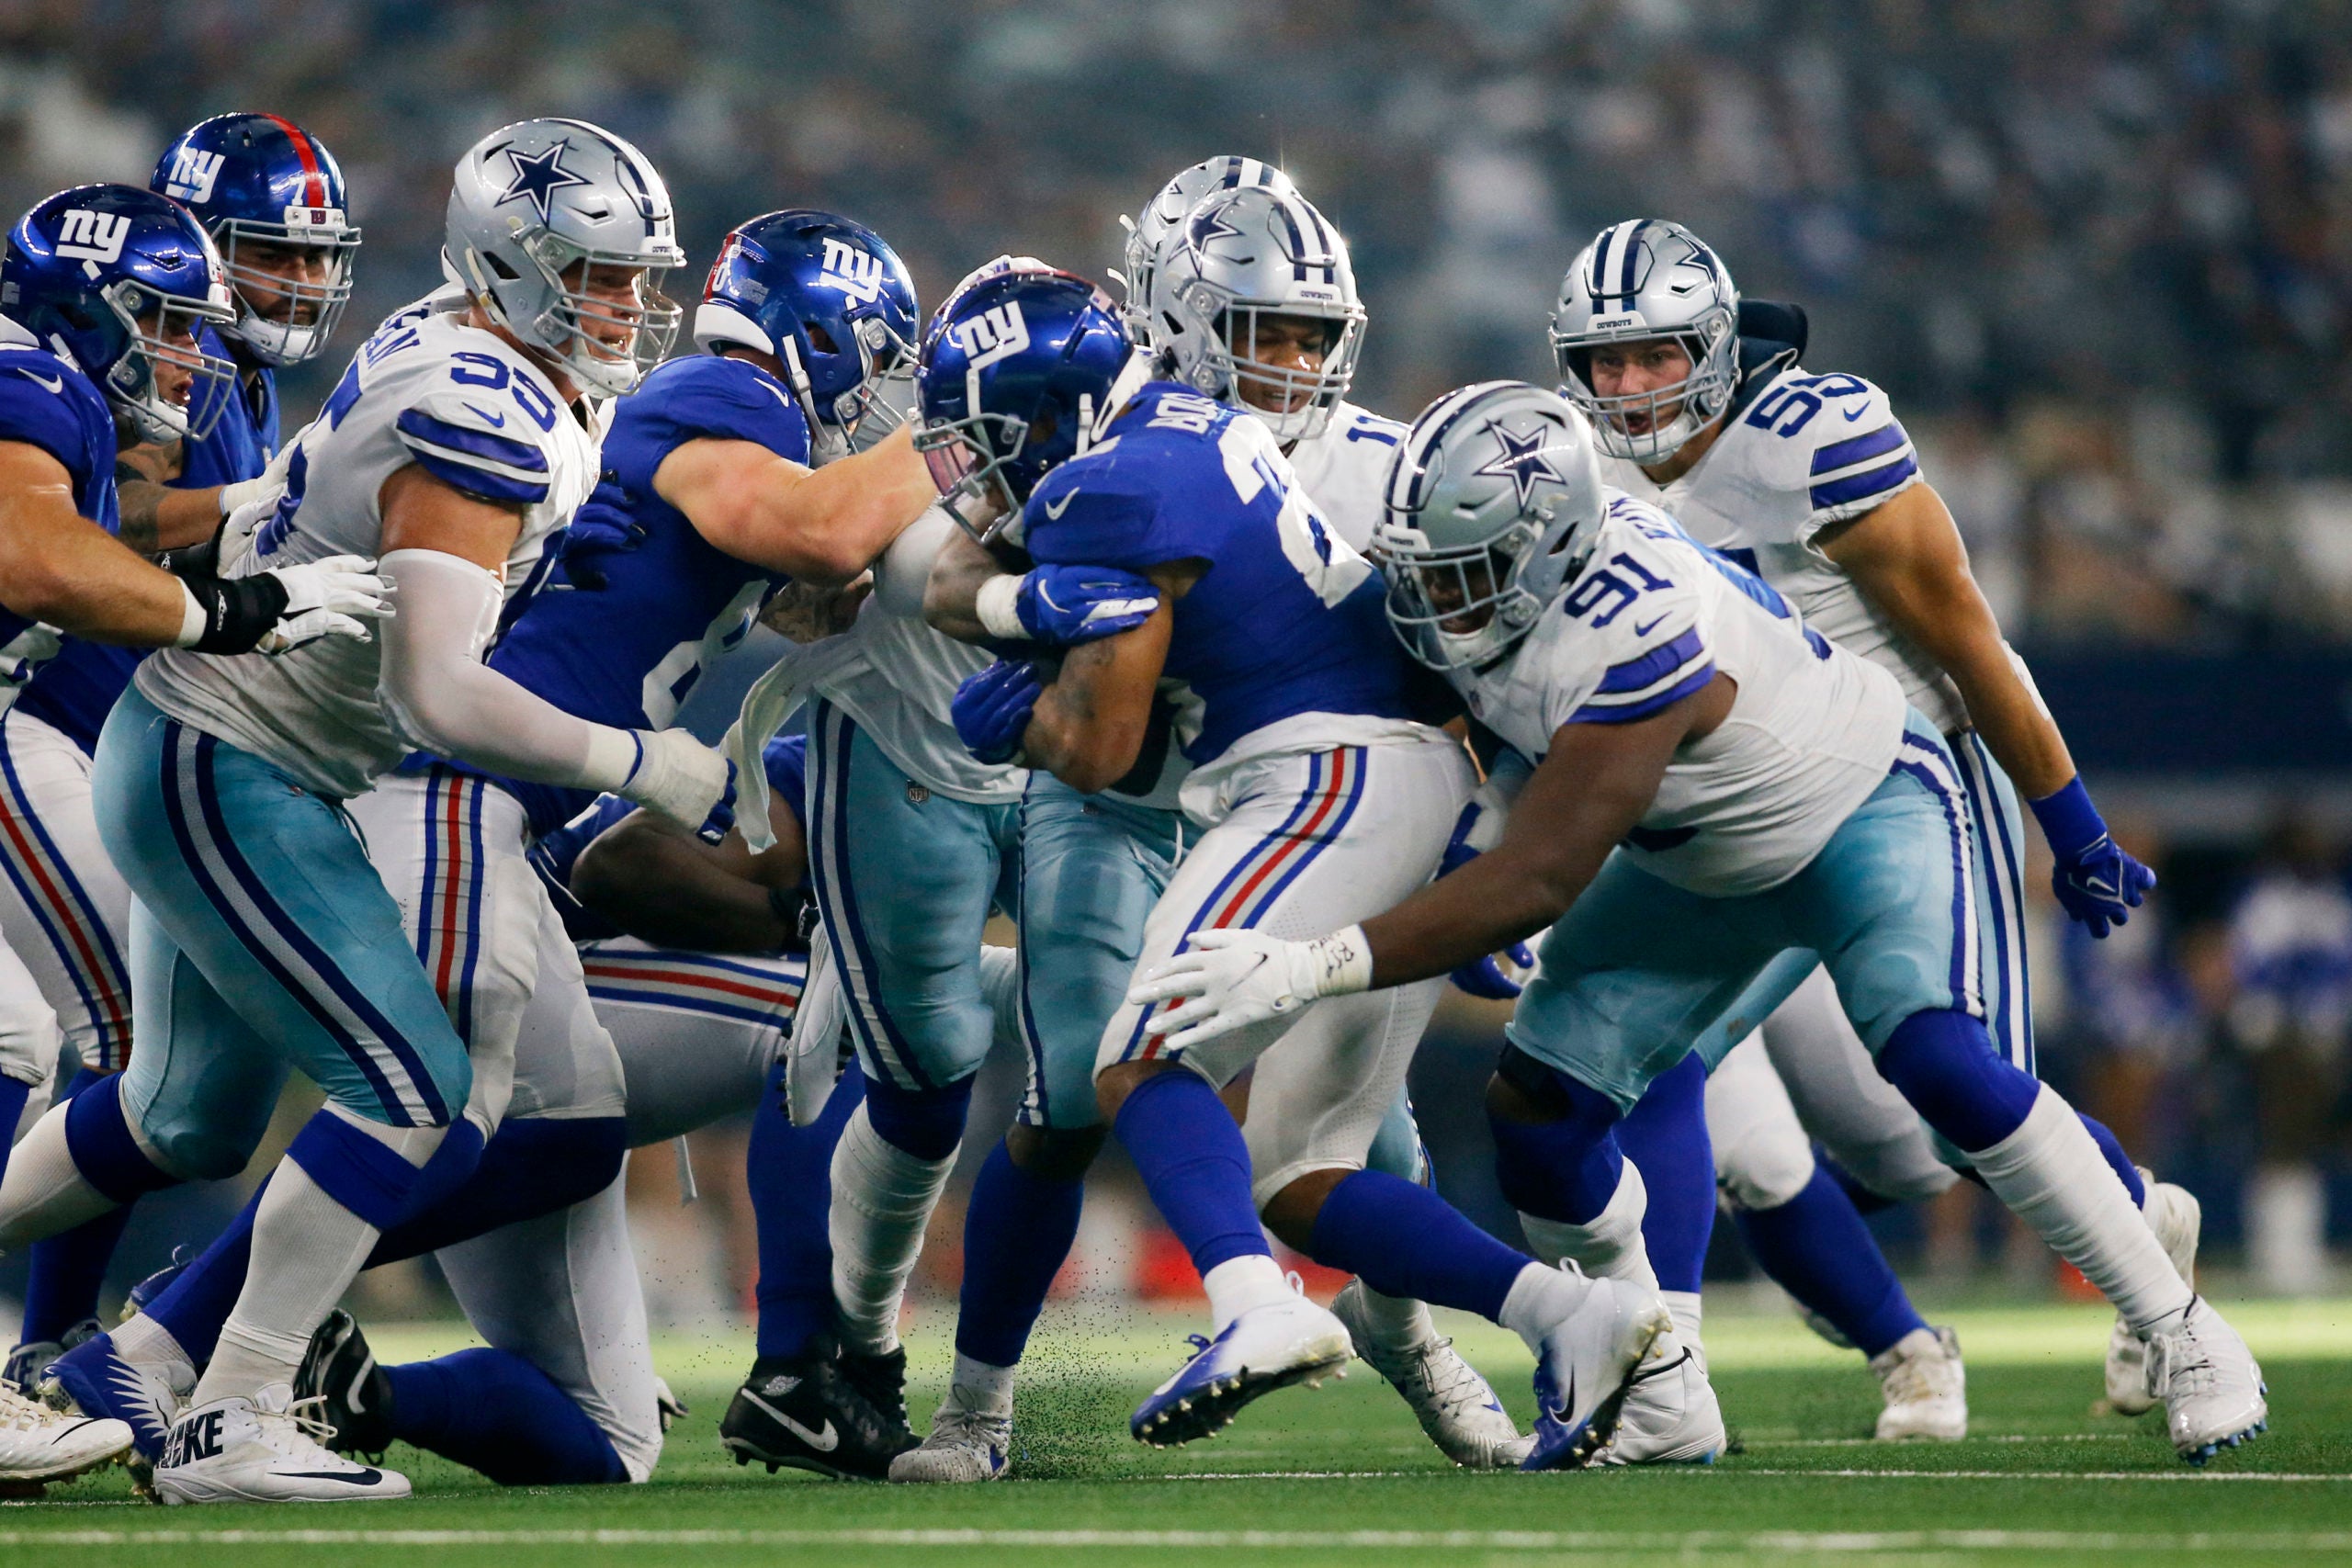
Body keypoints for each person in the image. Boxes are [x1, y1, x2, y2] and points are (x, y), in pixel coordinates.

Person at [1132, 380, 2268, 1467]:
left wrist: (1311, 962)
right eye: (1428, 572)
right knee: (1539, 1112)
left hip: (1859, 809)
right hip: (1698, 854)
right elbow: (1491, 759)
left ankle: (2180, 1328)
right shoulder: (1501, 590)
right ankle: (1664, 1385)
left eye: (1469, 575)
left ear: (1554, 551)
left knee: (1937, 1063)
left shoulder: (1633, 633)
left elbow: (1541, 874)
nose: (1437, 603)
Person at [37, 119, 732, 1506]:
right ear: (512, 270)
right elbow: (438, 698)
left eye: (634, 279)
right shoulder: (486, 408)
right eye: (596, 277)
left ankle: (165, 1371)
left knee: (181, 1113)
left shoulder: (477, 356)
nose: (628, 308)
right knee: (414, 1083)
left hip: (231, 754)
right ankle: (231, 1403)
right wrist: (639, 760)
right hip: (236, 758)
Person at [924, 269, 1668, 1472]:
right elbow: (979, 578)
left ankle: (1257, 1305)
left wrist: (1022, 717)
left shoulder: (1109, 481)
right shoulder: (1197, 426)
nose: (973, 472)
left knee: (1143, 1053)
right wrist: (1015, 600)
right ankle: (1569, 1313)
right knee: (1306, 1168)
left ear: (1046, 414)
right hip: (1406, 774)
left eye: (989, 440)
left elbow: (1104, 743)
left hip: (1321, 775)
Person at [1550, 217, 2198, 1421]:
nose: (1629, 386)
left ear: (1713, 344)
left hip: (1901, 797)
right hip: (1742, 813)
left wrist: (2073, 823)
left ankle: (2151, 1241)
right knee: (1656, 1060)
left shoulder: (1808, 438)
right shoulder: (1583, 483)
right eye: (1606, 360)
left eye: (1654, 355)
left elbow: (1965, 634)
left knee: (1946, 1124)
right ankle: (1673, 1368)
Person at [0, 180, 380, 1489]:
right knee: (58, 1032)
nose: (185, 354)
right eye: (159, 321)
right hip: (31, 723)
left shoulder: (71, 389)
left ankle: (36, 1360)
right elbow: (37, 558)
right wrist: (238, 608)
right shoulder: (29, 373)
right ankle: (36, 1357)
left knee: (58, 1040)